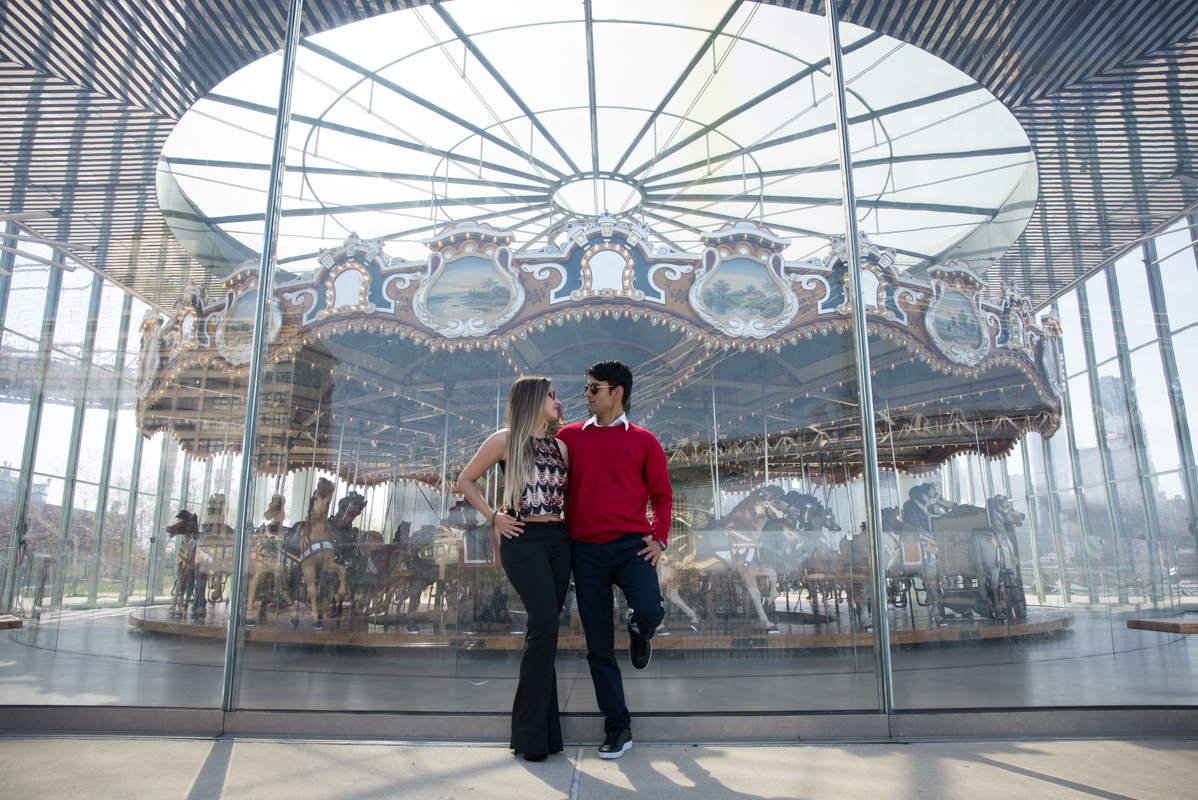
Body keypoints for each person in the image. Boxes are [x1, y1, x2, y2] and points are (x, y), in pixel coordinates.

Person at [556, 360, 672, 760]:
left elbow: (662, 495)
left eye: (593, 388)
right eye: (587, 387)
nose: (586, 394)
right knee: (598, 646)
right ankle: (618, 726)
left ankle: (641, 632)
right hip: (584, 551)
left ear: (616, 392)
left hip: (630, 546)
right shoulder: (568, 437)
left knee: (651, 609)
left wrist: (660, 539)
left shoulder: (644, 440)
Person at [457, 377, 570, 762]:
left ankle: (546, 734)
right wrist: (493, 517)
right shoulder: (505, 440)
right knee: (545, 627)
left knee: (546, 633)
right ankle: (528, 735)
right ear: (534, 399)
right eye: (551, 395)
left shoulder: (561, 447)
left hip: (559, 543)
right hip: (523, 541)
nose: (557, 401)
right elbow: (465, 480)